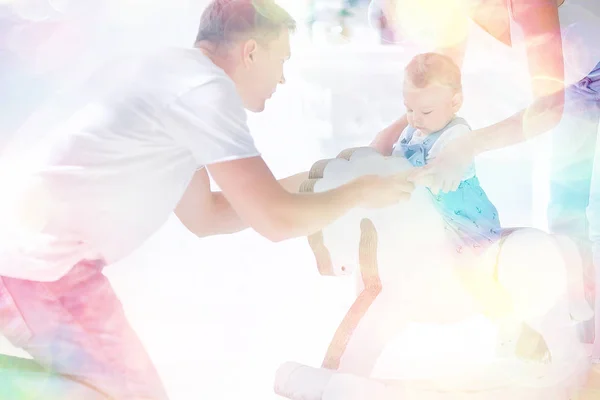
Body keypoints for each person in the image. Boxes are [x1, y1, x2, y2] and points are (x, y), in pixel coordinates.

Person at [0, 1, 415, 398]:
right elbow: (277, 221)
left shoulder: (174, 79)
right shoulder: (203, 88)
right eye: (282, 60)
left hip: (52, 266)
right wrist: (361, 191)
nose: (283, 78)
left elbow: (208, 215)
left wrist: (329, 173)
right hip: (39, 269)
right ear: (251, 52)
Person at [371, 0, 600, 356]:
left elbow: (546, 110)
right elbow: (440, 82)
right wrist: (394, 131)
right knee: (565, 213)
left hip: (580, 80)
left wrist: (467, 145)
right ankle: (584, 347)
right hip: (574, 87)